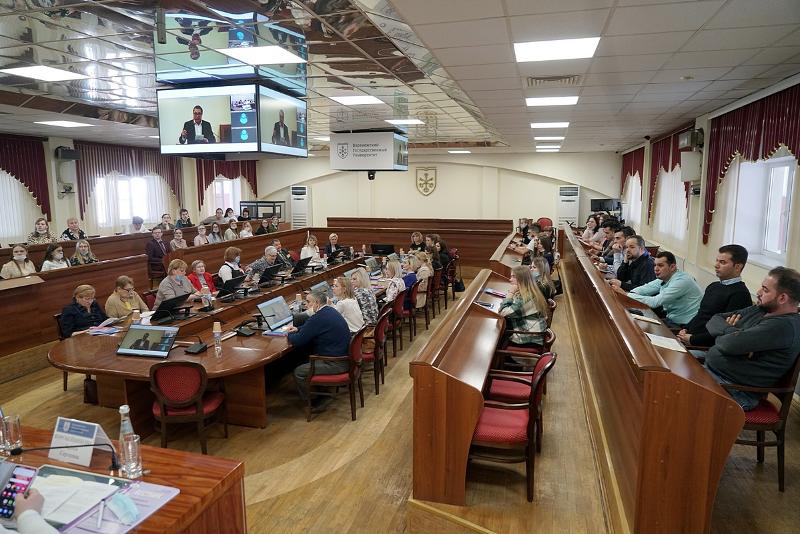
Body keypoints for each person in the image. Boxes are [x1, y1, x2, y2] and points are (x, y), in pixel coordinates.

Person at [703, 267, 800, 411]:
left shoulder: (783, 326)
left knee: (675, 392)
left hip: (737, 391)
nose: (759, 292)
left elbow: (728, 345)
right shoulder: (761, 309)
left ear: (782, 298)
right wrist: (735, 333)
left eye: (765, 290)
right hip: (716, 376)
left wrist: (729, 335)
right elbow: (715, 319)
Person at [677, 245, 753, 347]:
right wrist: (685, 329)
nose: (716, 265)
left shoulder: (740, 295)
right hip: (688, 338)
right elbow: (701, 314)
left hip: (704, 347)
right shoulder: (713, 286)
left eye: (722, 262)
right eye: (717, 261)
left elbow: (724, 331)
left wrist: (693, 340)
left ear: (738, 267)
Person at [289, 290, 351, 402]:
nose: (306, 305)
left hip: (335, 363)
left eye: (308, 302)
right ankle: (319, 391)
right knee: (305, 355)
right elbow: (311, 327)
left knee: (299, 372)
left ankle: (313, 401)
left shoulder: (318, 318)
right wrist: (298, 329)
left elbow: (297, 341)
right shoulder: (330, 311)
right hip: (344, 358)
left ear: (317, 303)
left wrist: (287, 333)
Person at [613, 251, 703, 327]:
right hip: (671, 319)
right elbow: (645, 288)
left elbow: (655, 302)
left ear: (672, 267)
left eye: (660, 265)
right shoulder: (666, 277)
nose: (656, 269)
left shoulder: (681, 281)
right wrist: (629, 293)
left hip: (683, 326)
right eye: (655, 265)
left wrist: (626, 295)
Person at [498, 266, 548, 346]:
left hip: (528, 339)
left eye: (513, 277)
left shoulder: (526, 298)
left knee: (496, 335)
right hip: (532, 331)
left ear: (522, 279)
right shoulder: (529, 291)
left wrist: (510, 293)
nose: (510, 279)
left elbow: (502, 313)